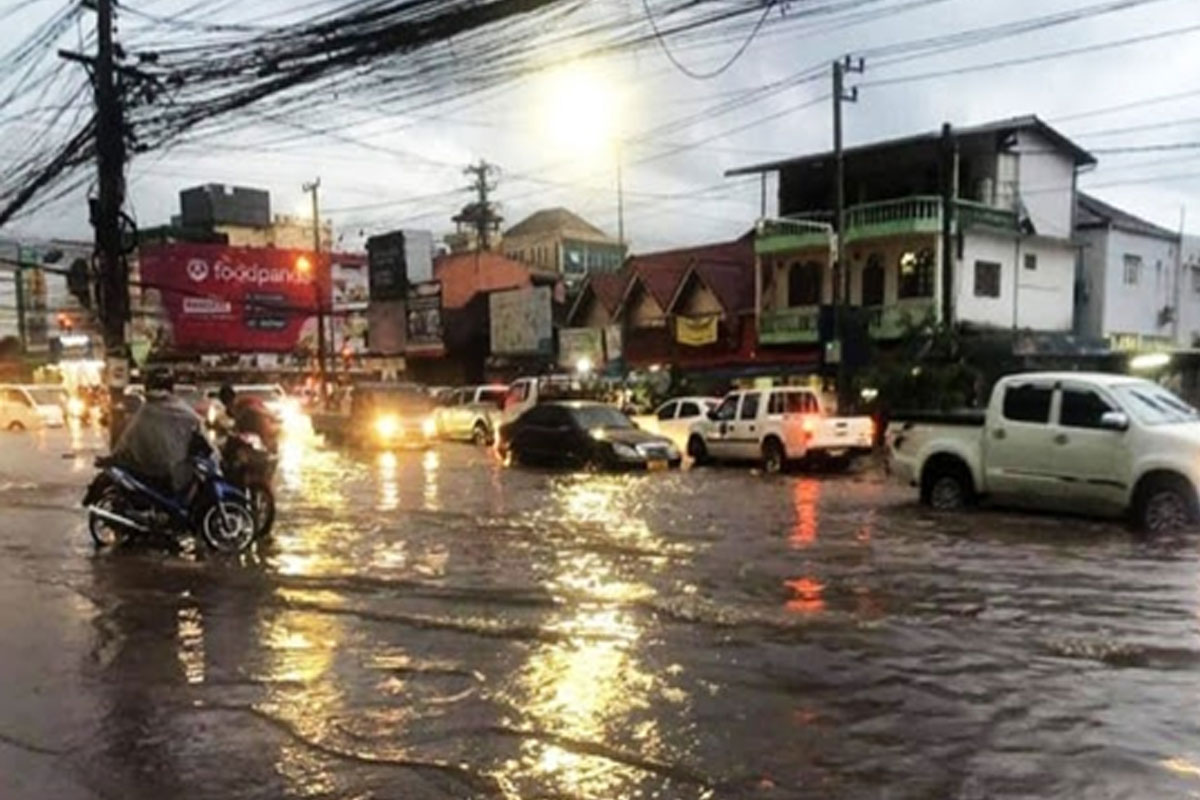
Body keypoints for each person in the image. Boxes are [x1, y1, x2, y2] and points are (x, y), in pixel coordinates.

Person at [112, 367, 204, 494]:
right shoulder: (180, 411)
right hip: (170, 474)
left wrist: (115, 456)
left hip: (152, 470)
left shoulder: (146, 411)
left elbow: (126, 441)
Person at [217, 383, 279, 452]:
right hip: (259, 427)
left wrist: (272, 416)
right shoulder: (232, 411)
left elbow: (255, 409)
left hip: (263, 424)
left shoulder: (245, 404)